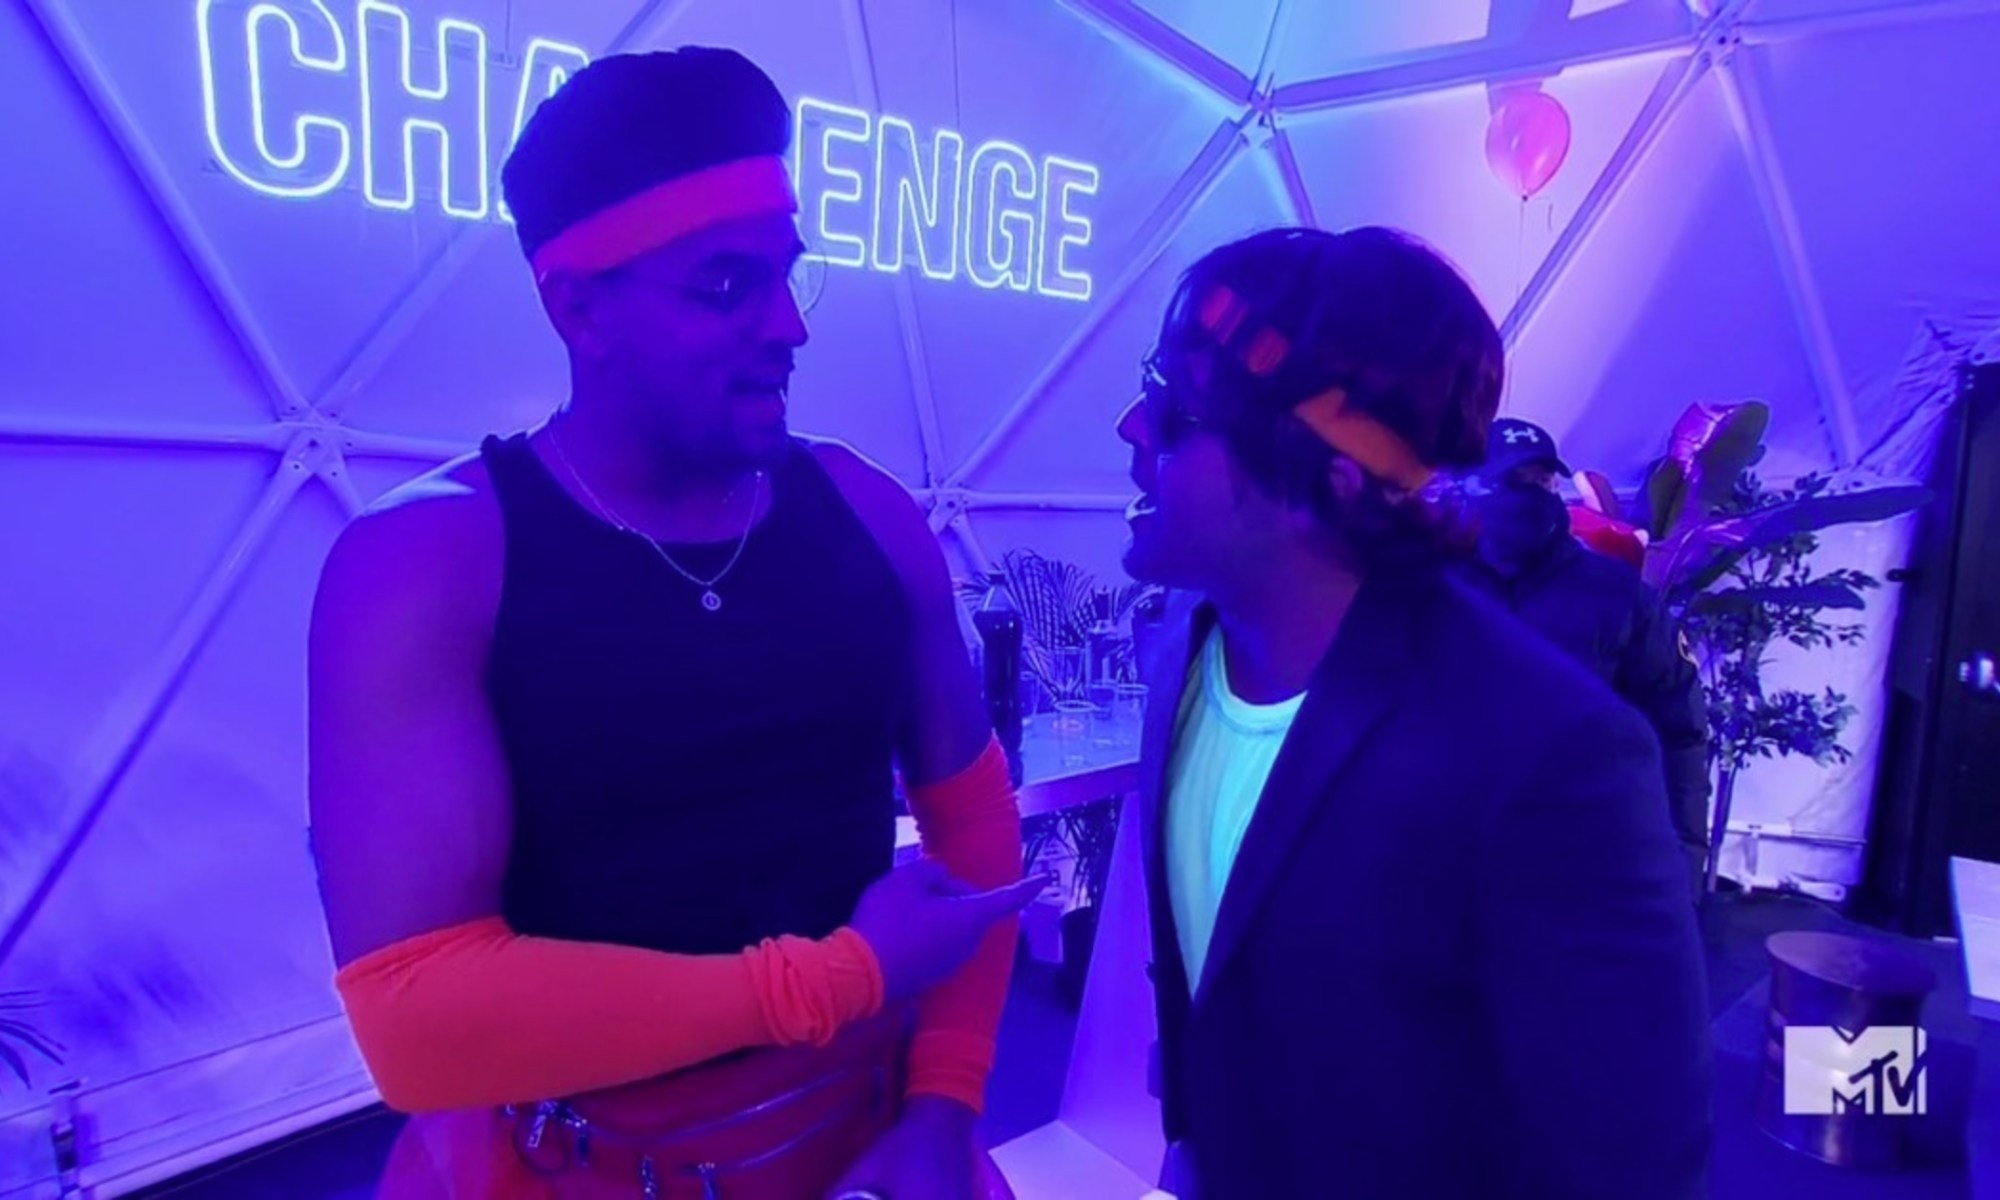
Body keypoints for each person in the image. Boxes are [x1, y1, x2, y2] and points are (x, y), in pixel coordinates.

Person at [308, 47, 1042, 1199]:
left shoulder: (864, 511)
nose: (787, 328)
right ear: (577, 309)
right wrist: (835, 979)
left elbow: (975, 821)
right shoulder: (427, 563)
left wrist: (945, 1104)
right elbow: (415, 1017)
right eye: (724, 286)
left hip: (870, 1141)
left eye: (788, 277)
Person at [1115, 227, 1711, 1198]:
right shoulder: (1181, 656)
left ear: (1318, 473)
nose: (1131, 434)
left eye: (1173, 410)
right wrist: (1193, 1144)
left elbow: (1629, 1162)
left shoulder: (1546, 756)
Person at [1460, 417, 1712, 897]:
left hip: (1576, 865)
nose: (1530, 495)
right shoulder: (1434, 588)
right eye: (1513, 481)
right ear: (1477, 487)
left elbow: (1679, 731)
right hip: (1449, 863)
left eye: (1542, 481)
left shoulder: (1616, 595)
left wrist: (1684, 867)